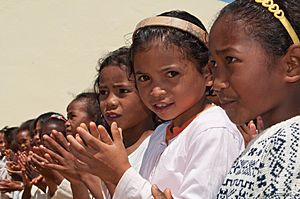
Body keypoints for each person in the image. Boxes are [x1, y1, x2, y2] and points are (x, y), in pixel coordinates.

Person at [67, 10, 244, 199]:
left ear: (208, 73)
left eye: (171, 74)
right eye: (144, 78)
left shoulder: (214, 130)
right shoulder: (161, 133)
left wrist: (120, 173)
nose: (156, 91)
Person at [41, 47, 156, 199]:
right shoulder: (107, 149)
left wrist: (104, 174)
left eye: (122, 91)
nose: (110, 102)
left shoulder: (159, 145)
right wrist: (77, 180)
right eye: (103, 92)